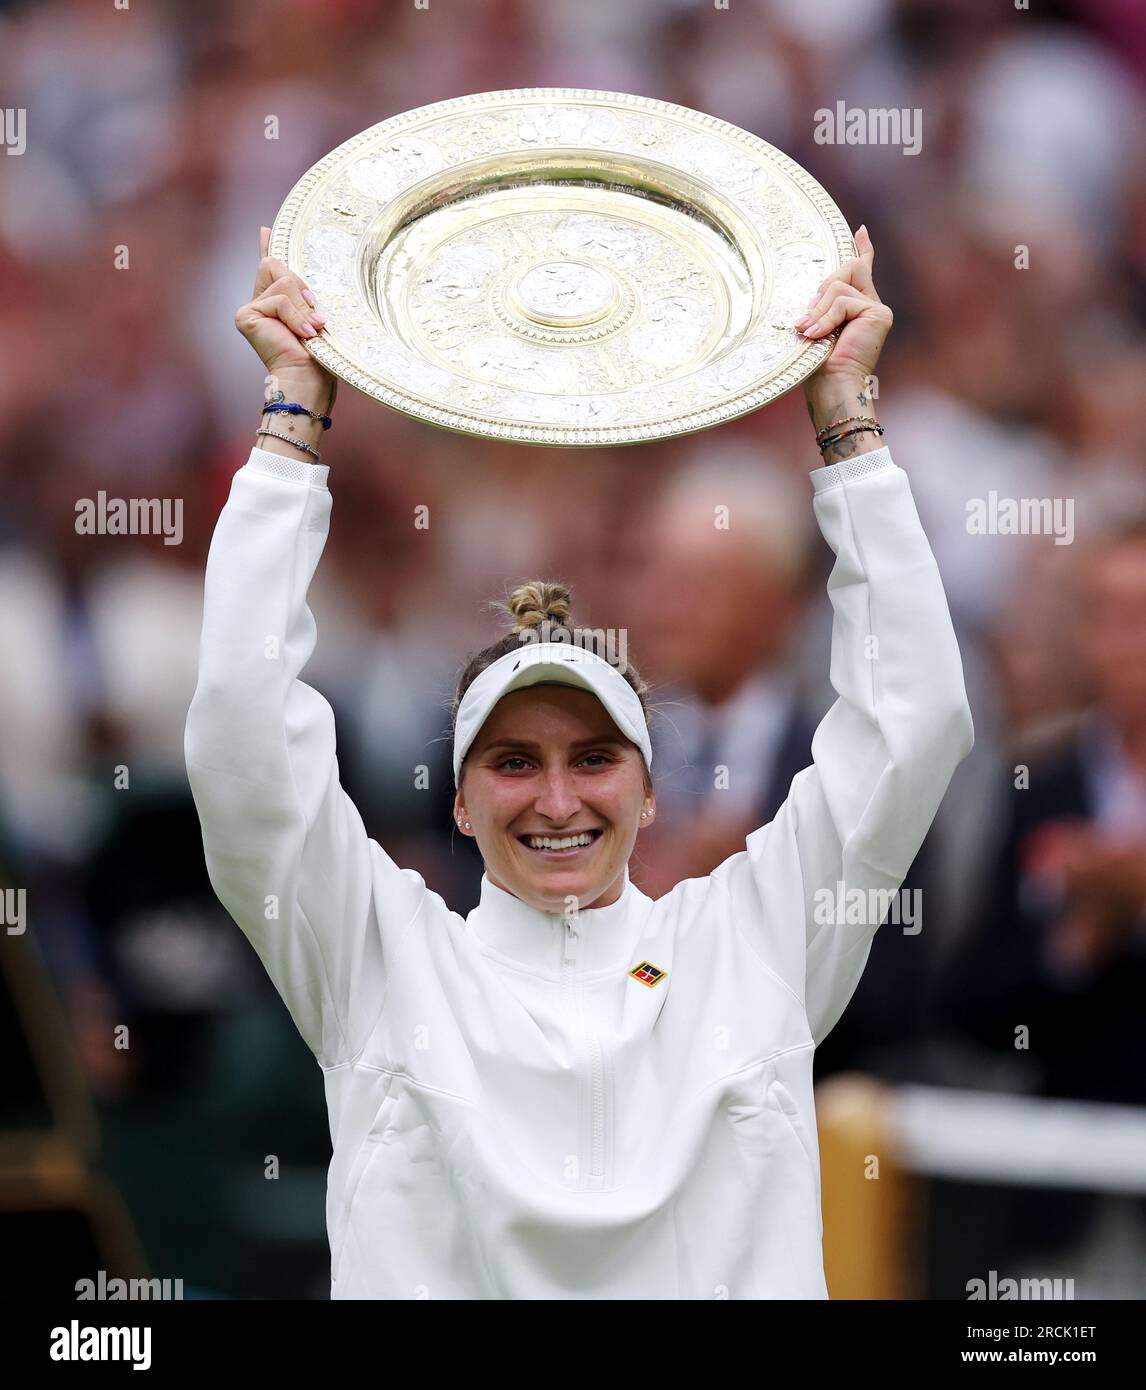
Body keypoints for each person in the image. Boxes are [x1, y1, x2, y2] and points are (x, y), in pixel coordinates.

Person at [184, 223, 974, 1299]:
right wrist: (292, 419)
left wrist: (847, 423)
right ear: (458, 803)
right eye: (513, 761)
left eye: (594, 756)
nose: (558, 798)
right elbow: (238, 723)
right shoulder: (383, 957)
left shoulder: (754, 935)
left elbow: (917, 718)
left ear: (650, 789)